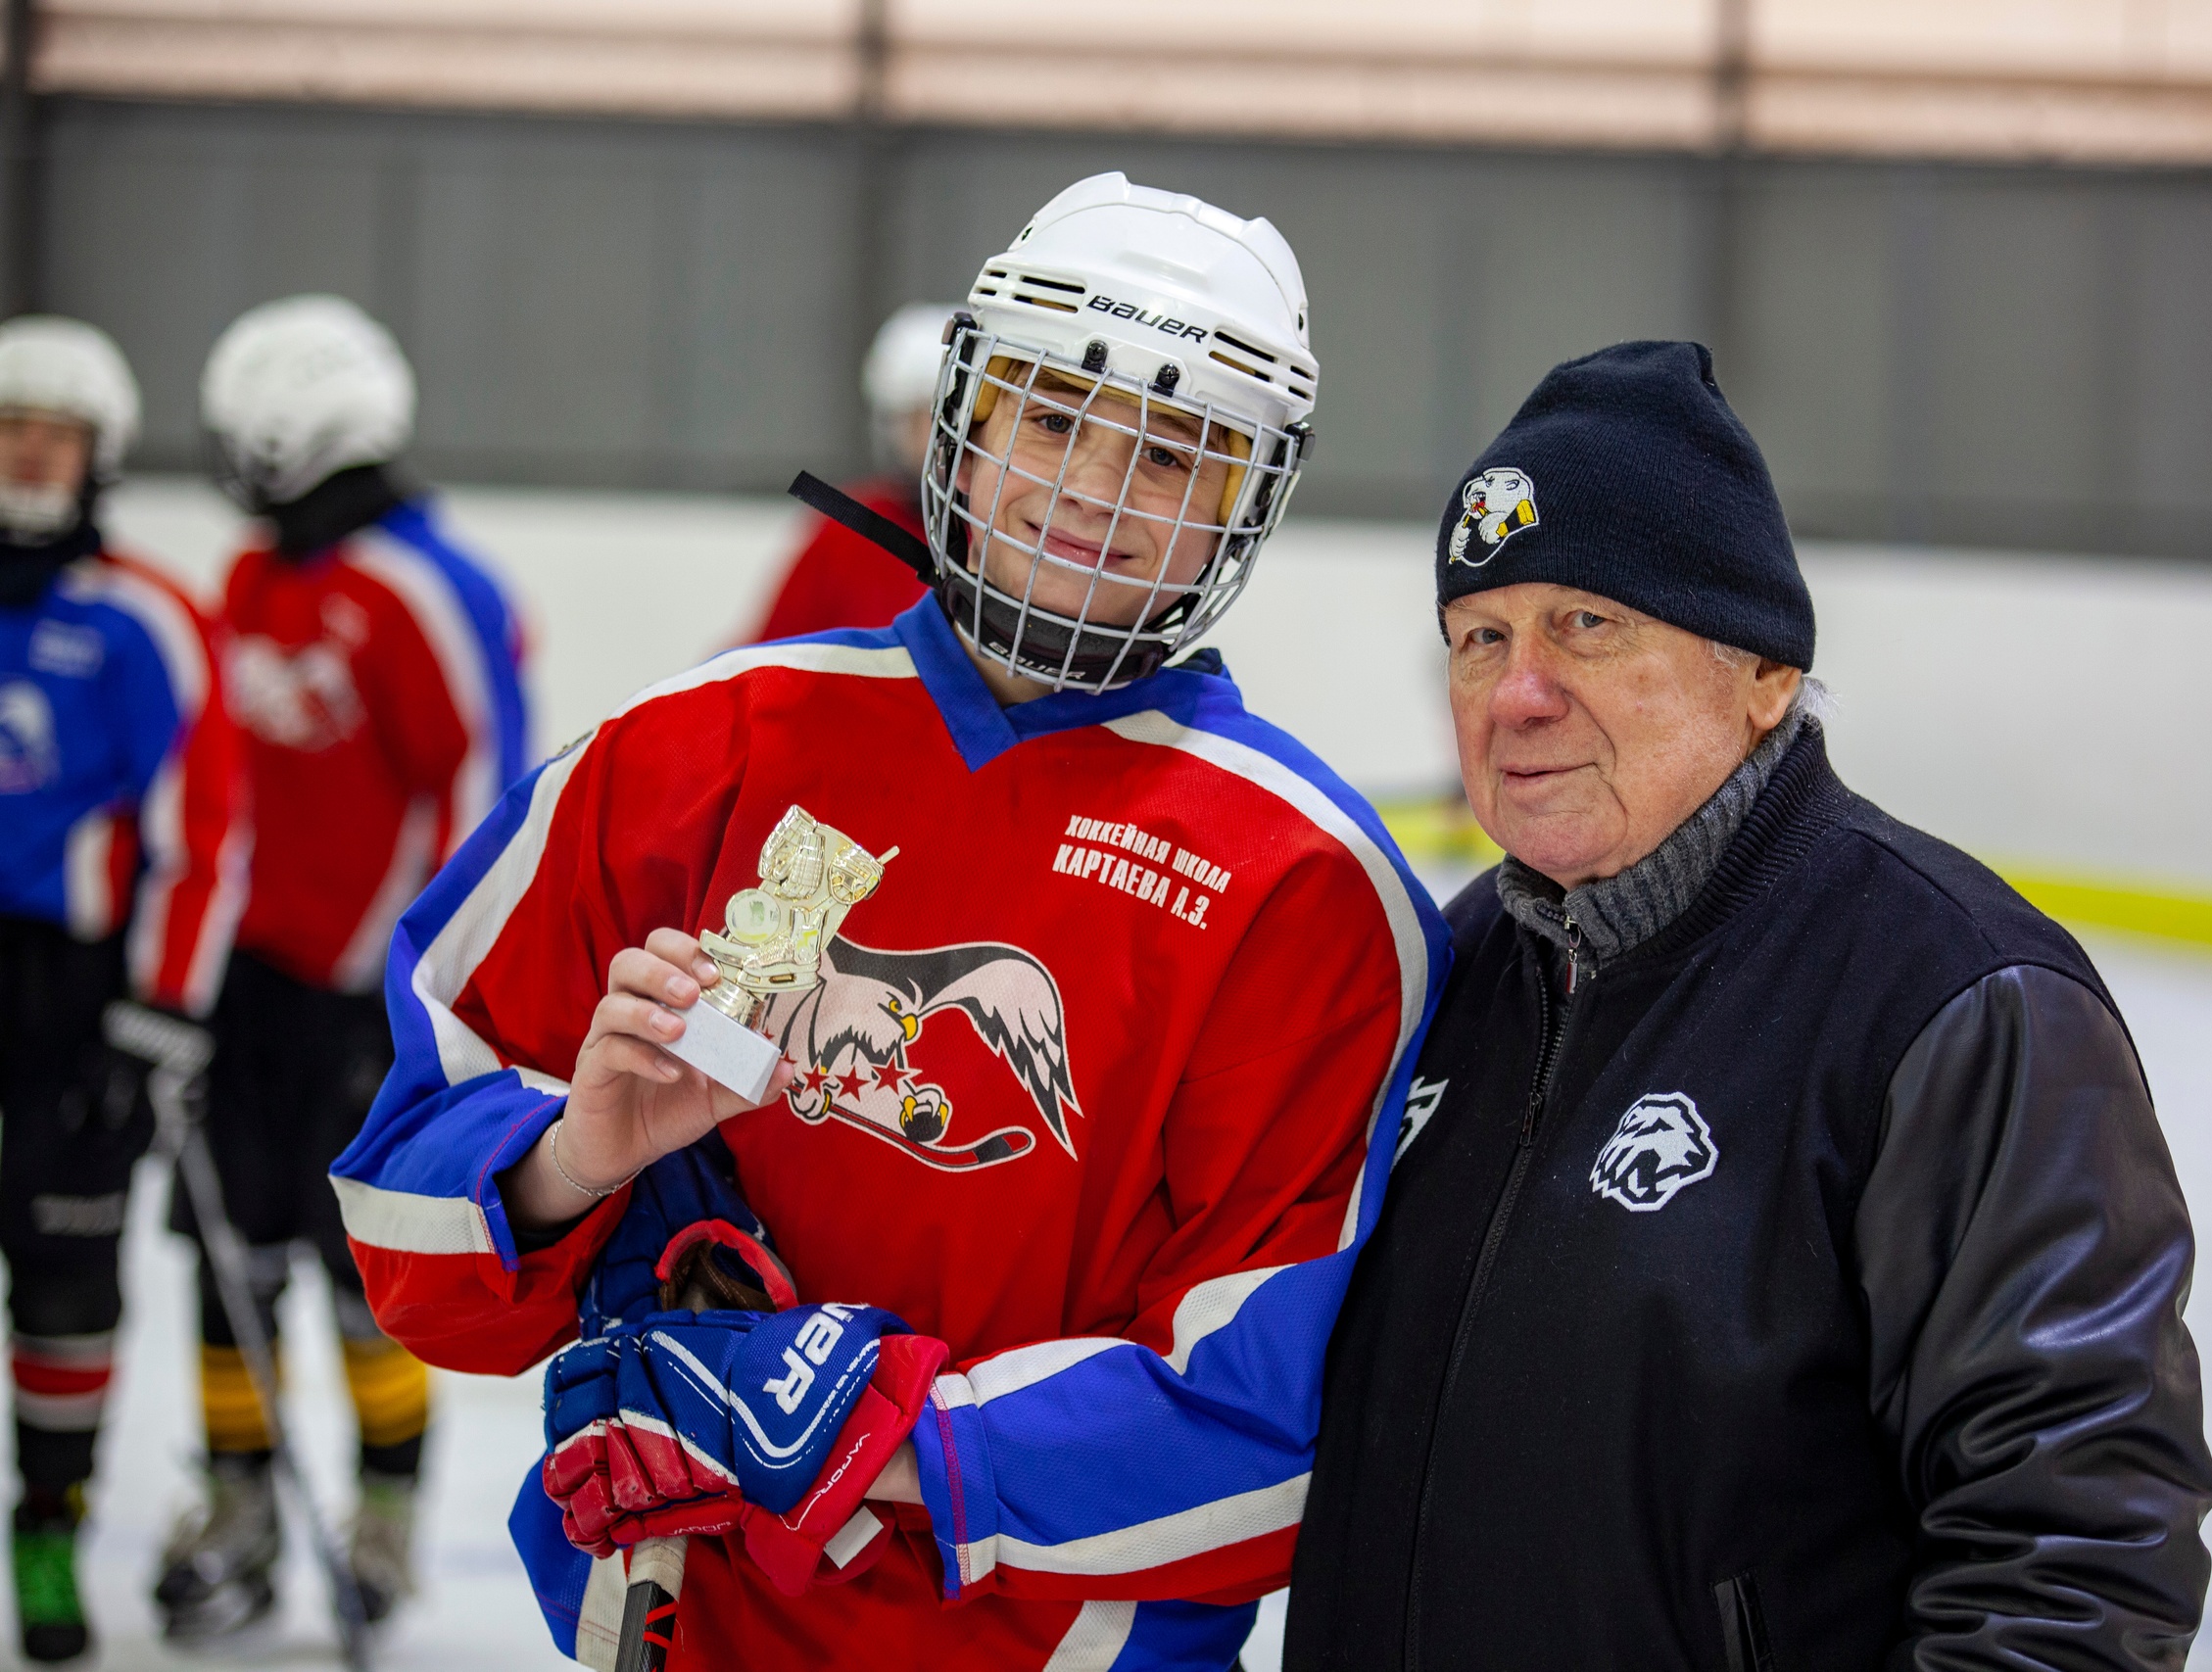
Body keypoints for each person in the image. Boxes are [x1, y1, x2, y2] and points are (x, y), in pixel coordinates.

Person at [332, 172, 1445, 1671]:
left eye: (1176, 452)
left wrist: (878, 1433)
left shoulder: (1306, 883)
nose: (1097, 489)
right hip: (688, 1627)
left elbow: (1269, 1429)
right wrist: (569, 1159)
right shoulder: (690, 751)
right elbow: (410, 1226)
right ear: (965, 420)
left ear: (1247, 506)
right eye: (1054, 416)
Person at [1287, 342, 2212, 1670]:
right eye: (1481, 637)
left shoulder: (1955, 1000)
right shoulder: (1457, 965)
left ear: (1765, 670)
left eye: (1587, 624)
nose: (1517, 694)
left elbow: (2070, 1561)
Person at [154, 294, 530, 1640]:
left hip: (368, 996)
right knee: (227, 1255)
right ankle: (239, 1502)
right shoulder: (256, 578)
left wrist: (434, 985)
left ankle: (382, 1517)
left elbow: (486, 786)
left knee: (365, 1269)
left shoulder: (423, 584)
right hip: (246, 982)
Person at [0, 314, 244, 1662]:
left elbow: (204, 831)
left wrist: (162, 1010)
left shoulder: (147, 615)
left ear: (98, 453)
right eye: (9, 430)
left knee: (66, 1277)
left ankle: (48, 1525)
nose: (30, 454)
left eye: (56, 434)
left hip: (72, 994)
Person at [746, 302, 954, 642]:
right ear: (896, 424)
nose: (946, 437)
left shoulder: (1004, 534)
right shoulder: (851, 526)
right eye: (928, 416)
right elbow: (771, 651)